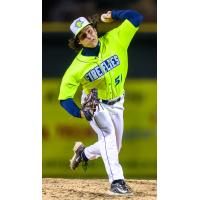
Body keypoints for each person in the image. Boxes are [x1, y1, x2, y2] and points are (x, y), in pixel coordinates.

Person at [58, 9, 143, 195]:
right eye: (83, 35)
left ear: (94, 29)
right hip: (96, 104)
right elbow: (64, 98)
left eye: (90, 30)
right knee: (107, 136)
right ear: (79, 42)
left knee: (114, 146)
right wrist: (79, 112)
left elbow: (136, 17)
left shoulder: (115, 39)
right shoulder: (76, 67)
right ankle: (117, 182)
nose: (89, 35)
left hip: (118, 101)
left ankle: (84, 153)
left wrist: (114, 15)